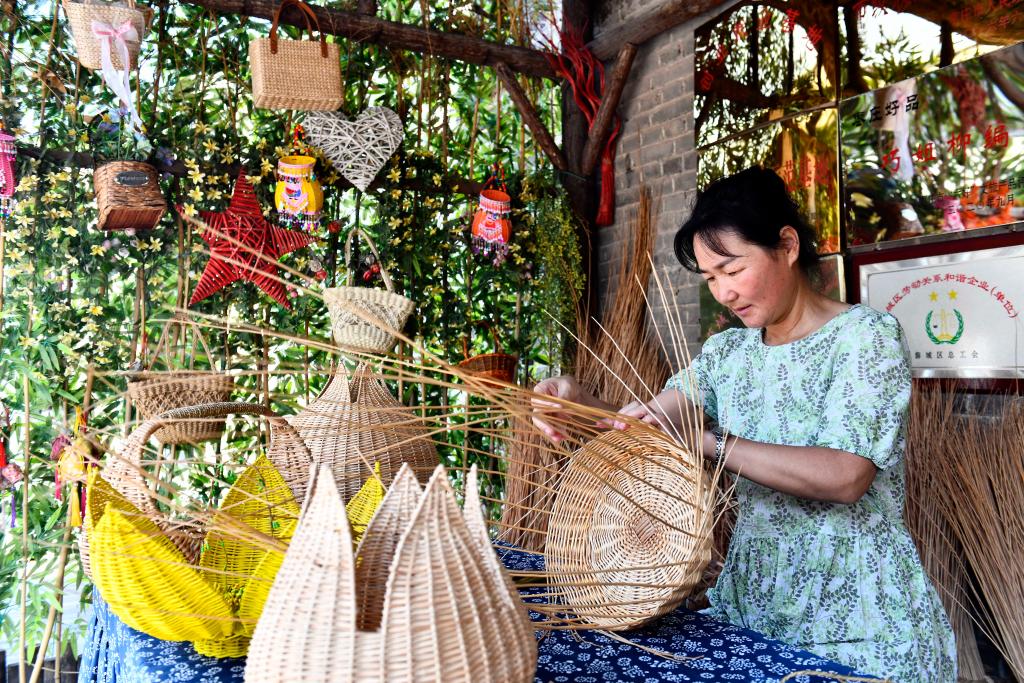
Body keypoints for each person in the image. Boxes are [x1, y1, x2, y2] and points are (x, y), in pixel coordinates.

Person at [532, 167, 955, 682]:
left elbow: (847, 475)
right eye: (711, 278)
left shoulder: (865, 338)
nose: (724, 293)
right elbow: (645, 425)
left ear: (787, 245)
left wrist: (714, 443)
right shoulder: (726, 353)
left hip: (860, 619)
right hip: (755, 607)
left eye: (732, 269)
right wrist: (579, 405)